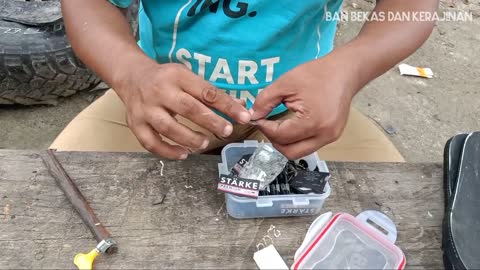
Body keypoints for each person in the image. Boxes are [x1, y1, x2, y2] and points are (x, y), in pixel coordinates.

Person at [52, 0, 438, 162]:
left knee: (396, 225)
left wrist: (349, 69)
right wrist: (131, 73)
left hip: (301, 112)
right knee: (54, 205)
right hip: (161, 103)